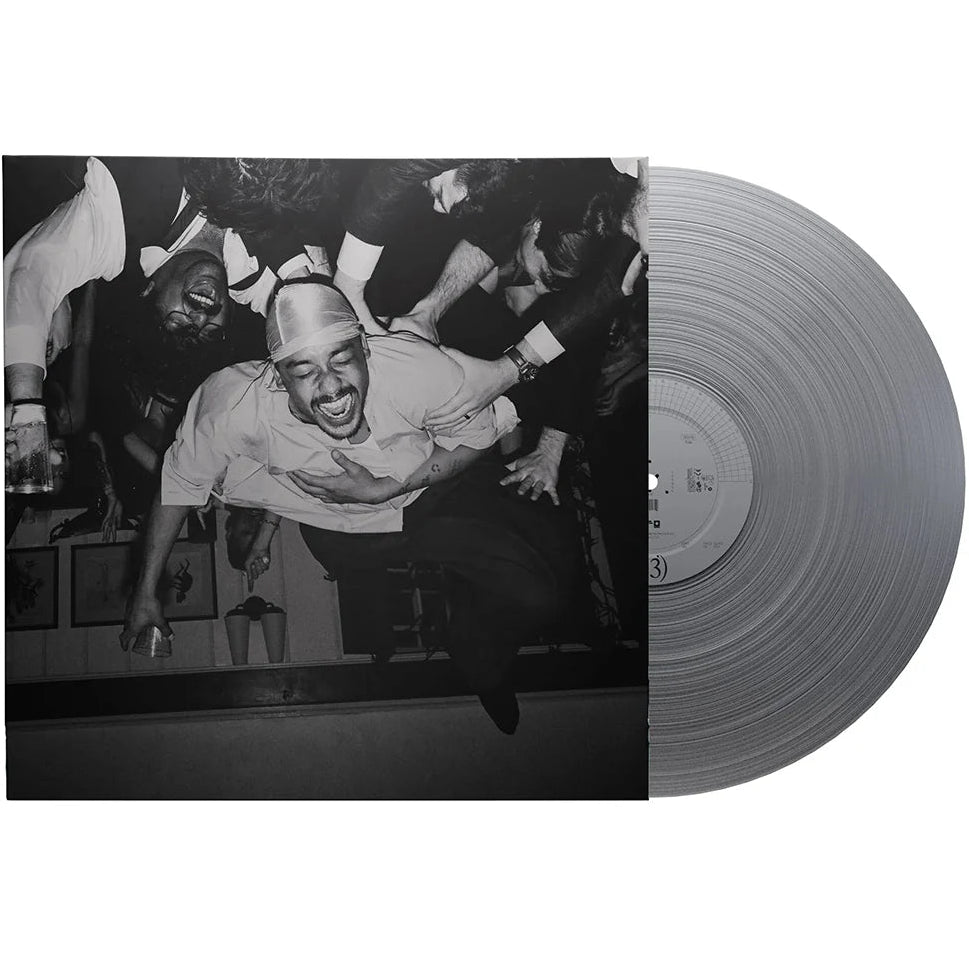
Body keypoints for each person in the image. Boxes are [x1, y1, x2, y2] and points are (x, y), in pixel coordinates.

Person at [120, 278, 579, 732]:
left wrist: (387, 488)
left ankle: (478, 659)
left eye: (341, 359)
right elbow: (178, 484)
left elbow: (474, 441)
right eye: (303, 371)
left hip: (427, 495)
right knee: (370, 599)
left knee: (542, 593)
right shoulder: (232, 407)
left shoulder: (418, 370)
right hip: (342, 536)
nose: (330, 386)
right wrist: (145, 592)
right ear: (277, 377)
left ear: (365, 347)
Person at [4, 156, 332, 455]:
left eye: (178, 327)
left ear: (148, 292)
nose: (199, 319)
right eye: (208, 334)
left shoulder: (118, 230)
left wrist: (27, 412)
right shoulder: (258, 281)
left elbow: (32, 272)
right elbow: (318, 320)